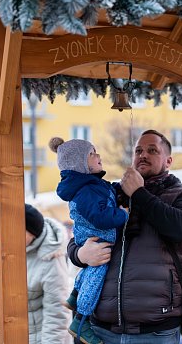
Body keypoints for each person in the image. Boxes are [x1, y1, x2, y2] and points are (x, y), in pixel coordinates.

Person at [68, 129, 182, 344]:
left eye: (152, 150)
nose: (143, 155)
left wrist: (139, 194)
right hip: (101, 328)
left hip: (156, 330)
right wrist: (80, 254)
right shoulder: (111, 194)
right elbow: (80, 233)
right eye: (138, 150)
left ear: (168, 161)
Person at [49, 137, 128, 344]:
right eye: (92, 153)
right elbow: (100, 217)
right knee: (96, 274)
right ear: (80, 163)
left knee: (90, 272)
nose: (98, 155)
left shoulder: (90, 185)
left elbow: (107, 192)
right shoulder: (86, 190)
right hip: (96, 238)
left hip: (92, 238)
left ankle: (75, 295)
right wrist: (123, 215)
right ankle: (81, 323)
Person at [0, 204, 71, 343]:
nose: (11, 235)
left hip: (40, 339)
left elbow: (57, 314)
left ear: (32, 233)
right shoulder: (11, 252)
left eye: (17, 230)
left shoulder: (51, 259)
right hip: (15, 336)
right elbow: (1, 296)